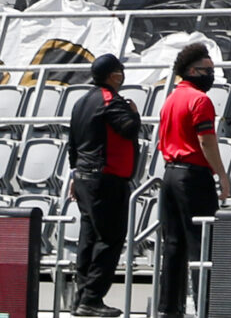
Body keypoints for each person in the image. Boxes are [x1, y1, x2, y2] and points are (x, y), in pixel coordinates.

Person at [153, 43, 230, 318]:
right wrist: (221, 174)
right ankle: (205, 308)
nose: (211, 75)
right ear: (190, 70)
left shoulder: (171, 98)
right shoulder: (200, 100)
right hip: (193, 175)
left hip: (170, 174)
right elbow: (206, 140)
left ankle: (168, 308)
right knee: (201, 243)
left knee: (173, 245)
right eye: (206, 70)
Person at [66, 51, 141, 317]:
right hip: (105, 179)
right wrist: (134, 114)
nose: (122, 75)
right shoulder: (111, 100)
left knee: (89, 238)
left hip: (85, 178)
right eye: (120, 71)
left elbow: (72, 145)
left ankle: (81, 298)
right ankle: (93, 299)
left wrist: (75, 174)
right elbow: (128, 128)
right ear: (113, 75)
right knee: (109, 239)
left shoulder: (81, 101)